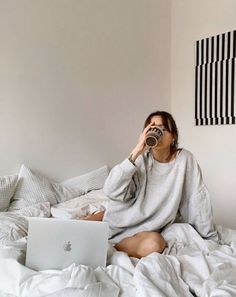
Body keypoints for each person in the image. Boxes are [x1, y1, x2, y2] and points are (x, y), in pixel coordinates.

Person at [85, 111, 218, 258]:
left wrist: (208, 237)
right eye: (152, 128)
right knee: (80, 226)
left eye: (162, 128)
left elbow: (196, 199)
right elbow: (111, 190)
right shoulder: (141, 160)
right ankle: (98, 228)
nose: (157, 132)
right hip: (122, 221)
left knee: (155, 244)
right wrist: (137, 149)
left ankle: (109, 245)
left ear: (173, 136)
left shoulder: (184, 160)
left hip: (147, 230)